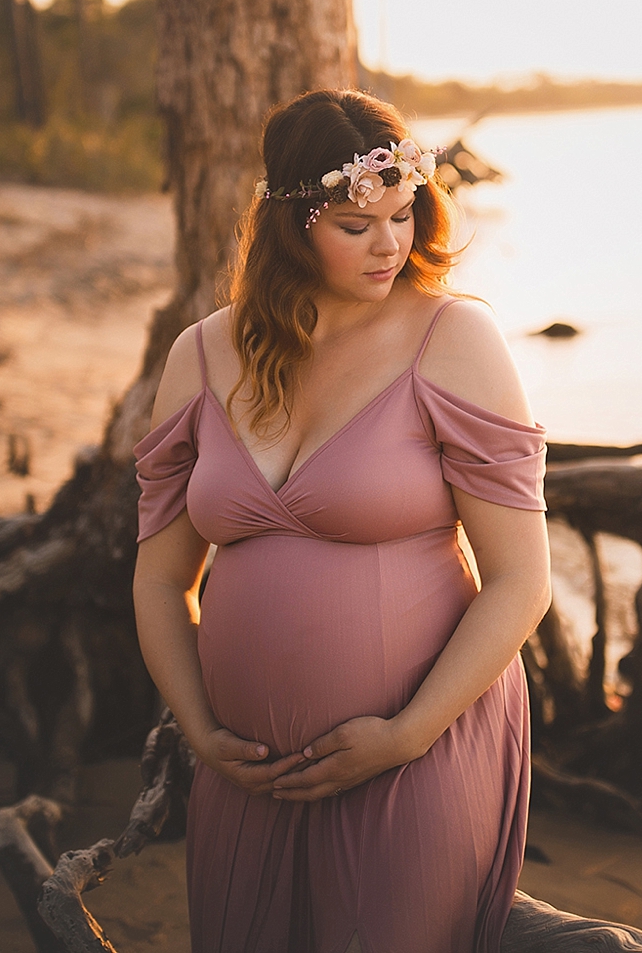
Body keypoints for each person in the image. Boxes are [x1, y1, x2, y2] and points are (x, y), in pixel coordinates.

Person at [132, 89, 553, 953]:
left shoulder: (451, 337)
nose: (390, 244)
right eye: (357, 225)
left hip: (418, 752)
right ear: (290, 224)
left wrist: (404, 734)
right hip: (246, 775)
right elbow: (161, 576)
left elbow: (521, 578)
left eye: (403, 214)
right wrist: (203, 733)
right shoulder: (203, 354)